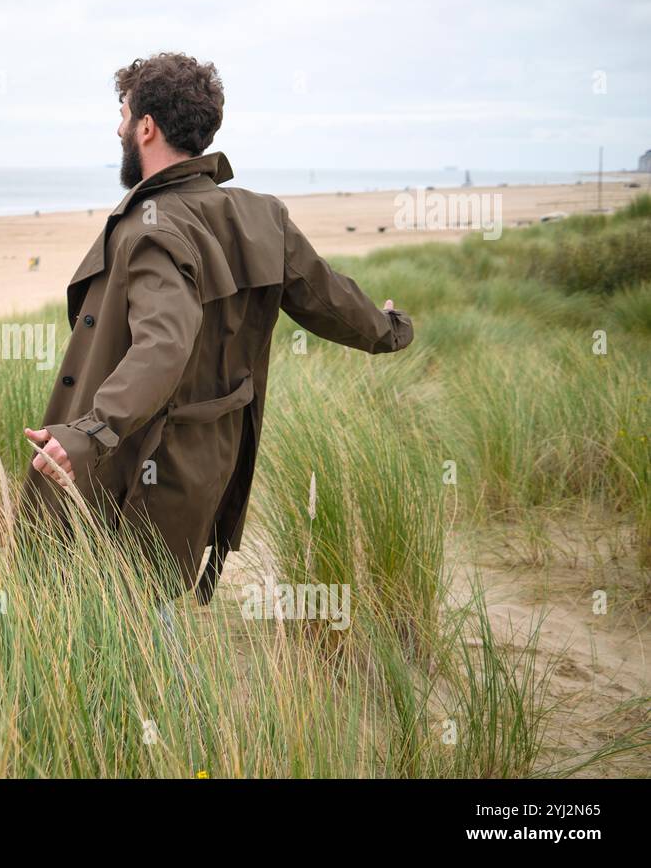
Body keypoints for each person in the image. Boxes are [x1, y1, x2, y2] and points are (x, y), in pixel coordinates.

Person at [22, 52, 412, 606]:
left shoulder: (153, 228)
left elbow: (165, 344)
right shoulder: (262, 215)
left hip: (140, 469)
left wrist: (88, 431)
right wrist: (389, 327)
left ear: (147, 127)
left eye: (124, 113)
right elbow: (331, 298)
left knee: (131, 620)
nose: (118, 127)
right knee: (155, 607)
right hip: (214, 460)